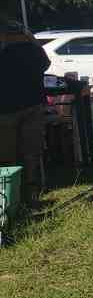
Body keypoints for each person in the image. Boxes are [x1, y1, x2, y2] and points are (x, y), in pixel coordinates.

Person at [0, 19, 50, 207]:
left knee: (7, 156)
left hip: (5, 111)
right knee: (31, 153)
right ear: (23, 34)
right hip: (32, 107)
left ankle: (9, 197)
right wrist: (33, 39)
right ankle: (31, 195)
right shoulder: (34, 52)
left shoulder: (3, 51)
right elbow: (46, 64)